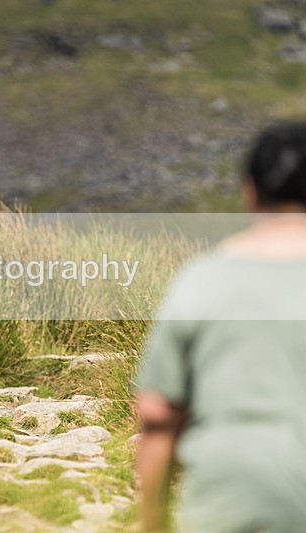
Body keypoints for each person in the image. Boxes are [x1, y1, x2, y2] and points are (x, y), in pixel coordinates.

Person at [136, 122, 306, 532]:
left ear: (249, 191)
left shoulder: (200, 279)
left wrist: (152, 521)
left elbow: (157, 412)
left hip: (229, 496)